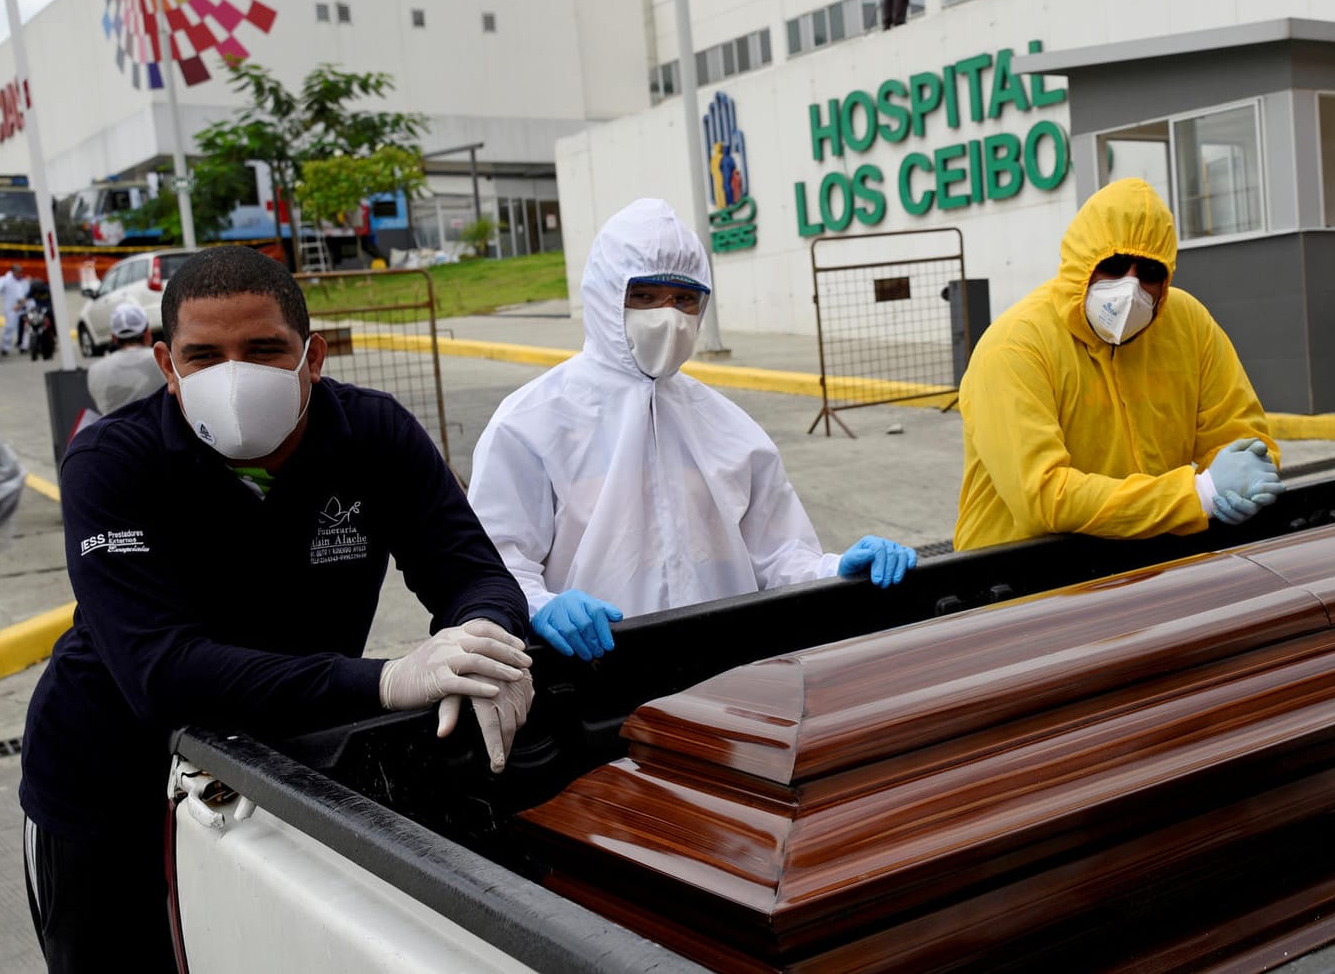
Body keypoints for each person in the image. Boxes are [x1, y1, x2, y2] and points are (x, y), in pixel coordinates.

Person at [20, 246, 535, 973]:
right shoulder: (113, 461)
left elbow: (473, 572)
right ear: (167, 366)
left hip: (292, 772)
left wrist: (489, 639)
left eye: (263, 349)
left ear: (312, 355)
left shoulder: (374, 435)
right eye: (204, 356)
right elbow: (160, 673)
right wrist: (386, 680)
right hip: (110, 787)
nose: (234, 376)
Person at [469, 200, 918, 662]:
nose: (668, 317)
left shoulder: (727, 425)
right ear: (604, 296)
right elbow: (493, 567)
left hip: (728, 665)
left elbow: (778, 555)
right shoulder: (531, 422)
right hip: (596, 674)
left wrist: (834, 569)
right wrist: (541, 606)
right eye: (644, 297)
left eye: (684, 300)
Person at [955, 178, 1281, 551]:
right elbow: (1042, 497)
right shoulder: (1015, 347)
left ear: (1166, 279)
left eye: (1149, 272)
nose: (1130, 288)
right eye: (1113, 265)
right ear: (1081, 262)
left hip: (1148, 566)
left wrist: (1249, 477)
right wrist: (1198, 494)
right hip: (1019, 584)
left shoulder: (1189, 324)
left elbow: (1242, 440)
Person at [86, 302, 167, 413]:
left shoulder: (95, 370)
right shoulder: (162, 359)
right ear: (147, 333)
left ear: (114, 338)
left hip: (113, 430)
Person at [0, 261, 26, 357]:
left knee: (23, 328)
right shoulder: (4, 280)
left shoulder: (23, 281)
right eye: (18, 272)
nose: (20, 274)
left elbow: (27, 293)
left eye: (21, 272)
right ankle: (5, 347)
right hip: (11, 308)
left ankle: (23, 346)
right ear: (13, 271)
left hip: (22, 307)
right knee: (9, 327)